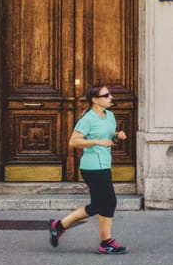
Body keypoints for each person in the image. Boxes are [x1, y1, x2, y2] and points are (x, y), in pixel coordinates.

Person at [48, 84, 128, 254]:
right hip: (92, 167)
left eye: (110, 94)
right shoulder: (88, 119)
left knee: (99, 204)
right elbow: (74, 141)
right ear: (95, 100)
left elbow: (109, 134)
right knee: (109, 202)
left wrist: (117, 135)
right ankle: (106, 242)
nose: (111, 97)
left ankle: (59, 225)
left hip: (104, 164)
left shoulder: (110, 115)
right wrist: (98, 142)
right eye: (106, 95)